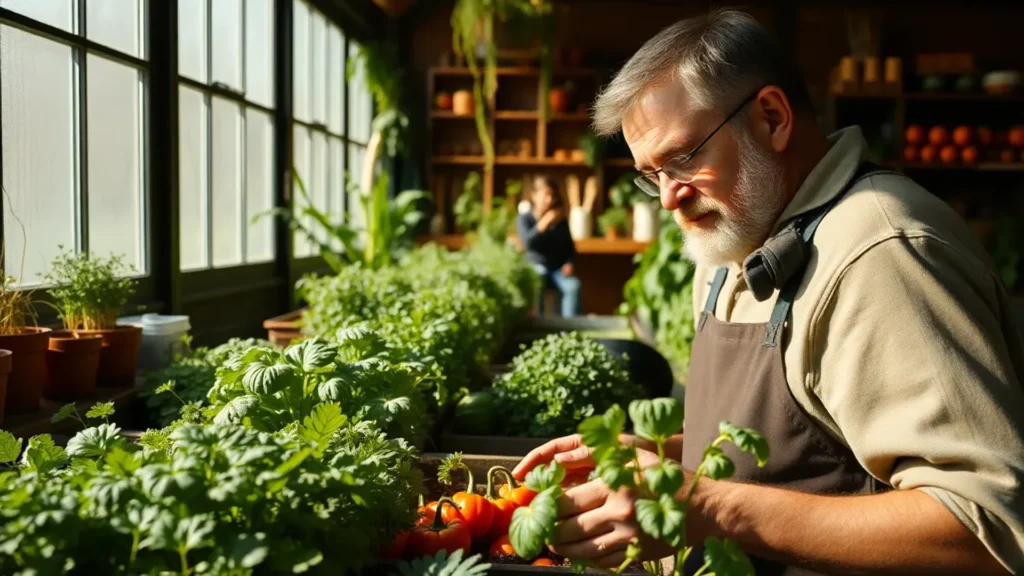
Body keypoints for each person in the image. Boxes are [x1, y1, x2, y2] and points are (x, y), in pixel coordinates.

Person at [512, 8, 1024, 575]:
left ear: (773, 118)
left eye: (683, 158)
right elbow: (808, 452)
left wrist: (706, 505)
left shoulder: (880, 253)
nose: (668, 198)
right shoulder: (742, 230)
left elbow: (990, 526)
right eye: (651, 174)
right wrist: (664, 461)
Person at [517, 175, 581, 317]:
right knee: (537, 280)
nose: (549, 200)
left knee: (573, 286)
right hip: (536, 267)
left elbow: (570, 248)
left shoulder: (559, 221)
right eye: (546, 195)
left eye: (552, 196)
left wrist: (569, 263)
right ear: (534, 195)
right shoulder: (525, 219)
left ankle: (569, 328)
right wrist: (543, 224)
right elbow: (528, 244)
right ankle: (538, 326)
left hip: (558, 269)